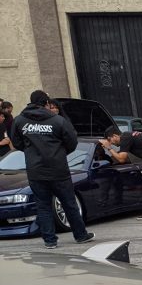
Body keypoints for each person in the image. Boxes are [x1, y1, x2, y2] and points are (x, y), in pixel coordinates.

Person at [11, 89, 95, 248]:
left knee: (43, 206)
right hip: (58, 169)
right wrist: (60, 153)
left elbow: (16, 142)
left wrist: (31, 152)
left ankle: (50, 241)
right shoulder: (57, 120)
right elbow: (72, 142)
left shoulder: (19, 121)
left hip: (36, 171)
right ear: (46, 103)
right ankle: (81, 235)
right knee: (69, 203)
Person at [99, 125, 142, 219]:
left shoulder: (125, 139)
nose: (111, 143)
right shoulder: (128, 135)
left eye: (110, 140)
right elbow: (122, 156)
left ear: (115, 136)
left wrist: (109, 148)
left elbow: (121, 159)